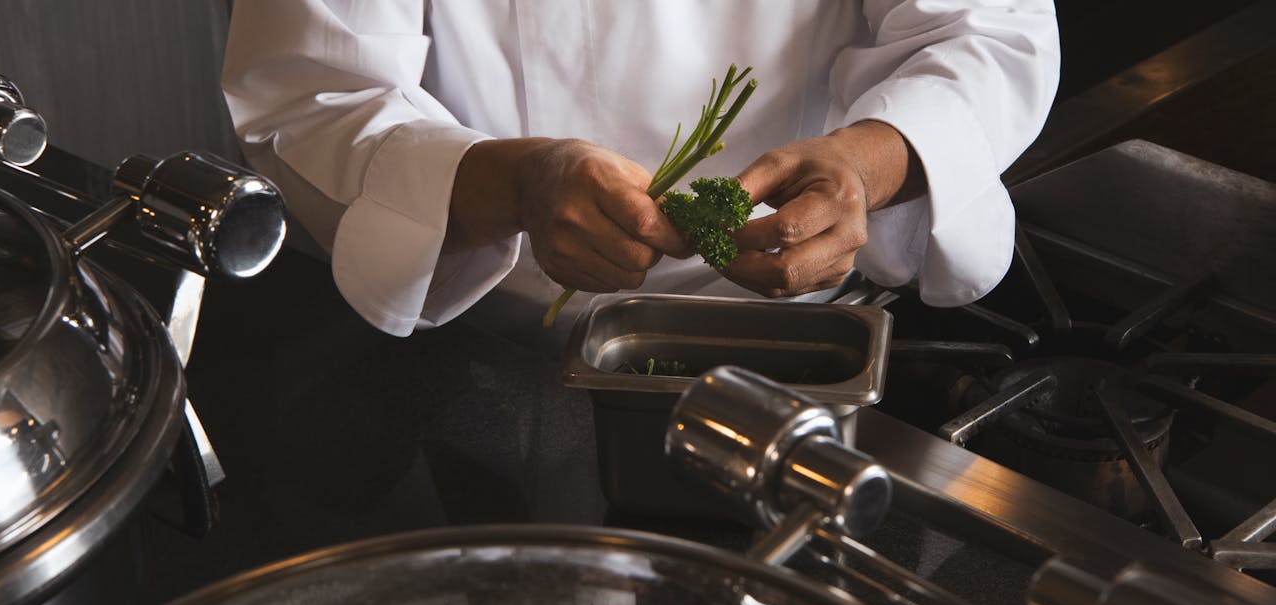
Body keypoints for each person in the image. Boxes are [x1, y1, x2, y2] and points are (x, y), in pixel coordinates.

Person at [222, 1, 1060, 349]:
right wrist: (518, 183)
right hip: (490, 347)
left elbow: (986, 28)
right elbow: (314, 89)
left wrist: (863, 164)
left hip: (800, 341)